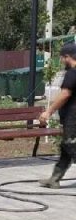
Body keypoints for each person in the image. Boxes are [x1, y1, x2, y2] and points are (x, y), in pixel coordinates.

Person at [38, 42, 76, 187]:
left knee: (70, 146)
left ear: (67, 57)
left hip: (73, 118)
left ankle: (54, 179)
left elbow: (65, 94)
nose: (61, 61)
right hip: (71, 117)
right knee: (66, 148)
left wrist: (48, 111)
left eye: (61, 58)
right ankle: (54, 179)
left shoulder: (72, 73)